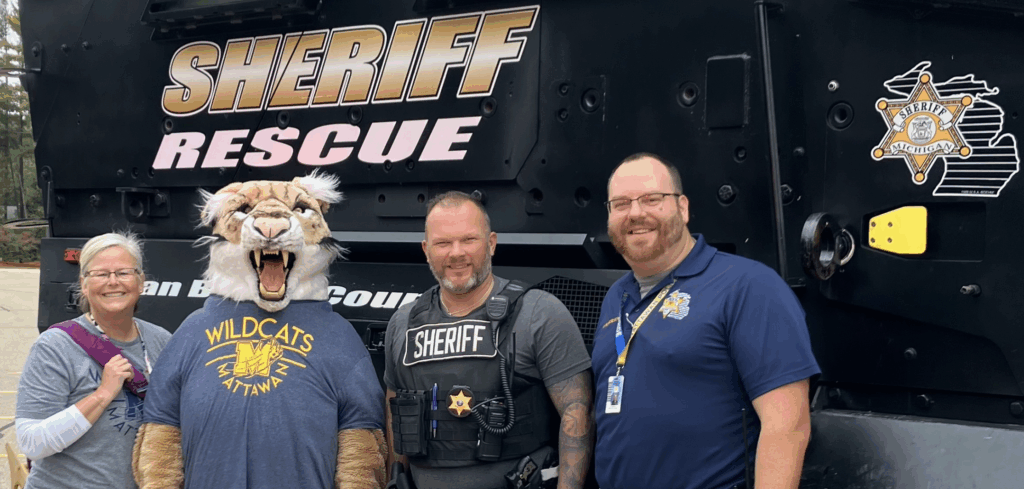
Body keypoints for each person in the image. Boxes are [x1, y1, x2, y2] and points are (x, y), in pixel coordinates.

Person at [592, 153, 821, 489]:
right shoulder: (617, 296)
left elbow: (787, 426)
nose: (636, 213)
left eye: (652, 199)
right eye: (621, 204)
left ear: (682, 208)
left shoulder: (748, 286)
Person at [383, 191, 593, 489]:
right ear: (426, 250)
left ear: (491, 243)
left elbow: (577, 413)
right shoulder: (403, 323)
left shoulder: (537, 312)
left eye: (469, 240)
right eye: (443, 243)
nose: (456, 253)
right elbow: (396, 415)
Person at [15, 231, 172, 489]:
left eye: (124, 272)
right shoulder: (55, 346)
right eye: (101, 274)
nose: (113, 282)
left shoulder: (162, 341)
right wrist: (102, 394)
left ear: (141, 282)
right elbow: (32, 442)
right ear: (84, 285)